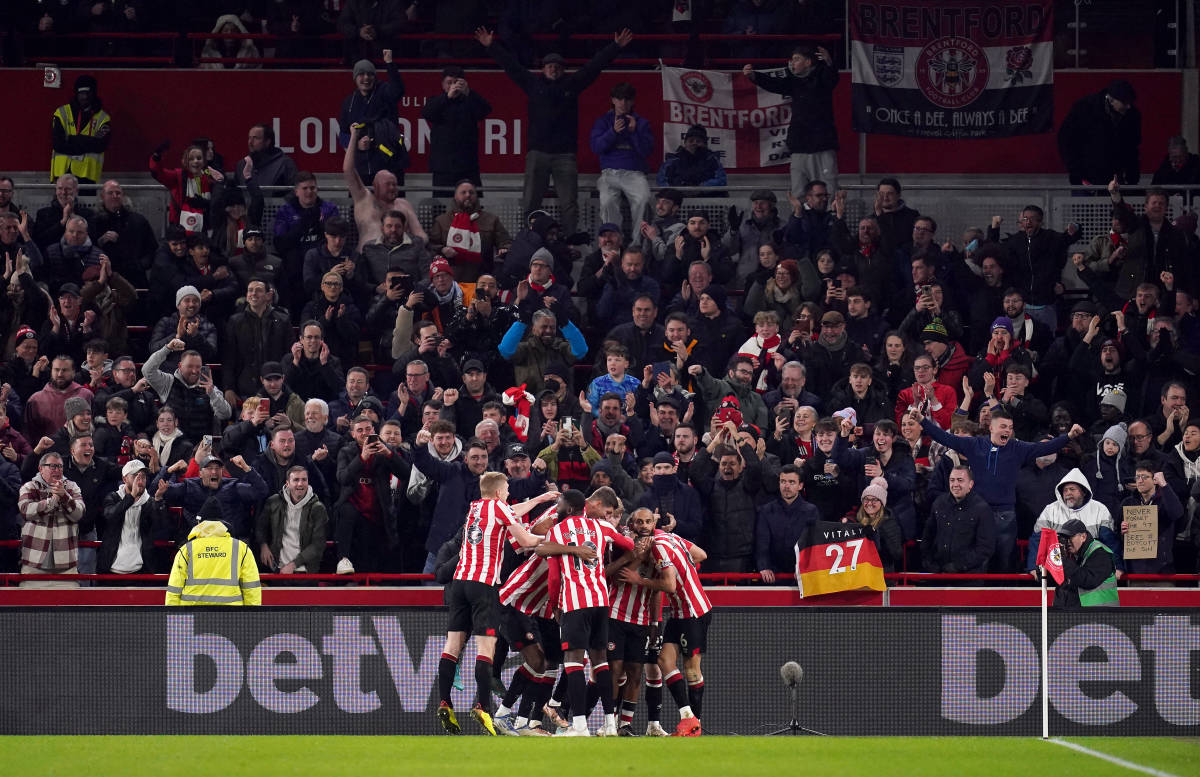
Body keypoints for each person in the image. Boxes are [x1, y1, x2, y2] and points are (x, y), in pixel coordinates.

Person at [474, 27, 633, 236]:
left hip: (565, 155)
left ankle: (568, 240)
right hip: (537, 153)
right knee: (531, 201)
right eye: (549, 66)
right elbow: (511, 66)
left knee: (569, 202)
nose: (553, 69)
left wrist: (615, 47)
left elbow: (595, 66)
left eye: (557, 66)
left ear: (563, 69)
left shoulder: (573, 84)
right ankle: (529, 237)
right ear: (543, 69)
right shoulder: (532, 84)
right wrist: (490, 46)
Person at [434, 472, 553, 735]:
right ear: (499, 492)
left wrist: (539, 499)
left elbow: (510, 511)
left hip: (459, 584)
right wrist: (559, 542)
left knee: (453, 645)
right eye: (507, 489)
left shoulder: (475, 508)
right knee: (485, 647)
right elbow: (526, 540)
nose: (509, 492)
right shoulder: (500, 507)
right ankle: (482, 706)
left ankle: (445, 701)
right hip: (483, 585)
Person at [917, 406, 1085, 571]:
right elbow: (945, 438)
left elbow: (1044, 447)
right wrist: (923, 421)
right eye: (1003, 426)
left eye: (1010, 428)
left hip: (1005, 515)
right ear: (991, 427)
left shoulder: (1017, 448)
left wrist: (1068, 436)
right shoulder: (974, 444)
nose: (1007, 431)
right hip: (976, 513)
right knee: (978, 562)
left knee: (1004, 564)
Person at [539, 486, 635, 736]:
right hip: (601, 601)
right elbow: (628, 544)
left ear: (569, 508)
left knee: (573, 663)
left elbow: (553, 577)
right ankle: (610, 724)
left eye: (559, 505)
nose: (557, 508)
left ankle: (580, 724)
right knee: (600, 662)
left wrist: (555, 605)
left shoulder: (557, 531)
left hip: (574, 602)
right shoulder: (601, 527)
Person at [743, 46, 838, 196]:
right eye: (792, 59)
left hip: (822, 144)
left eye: (796, 59)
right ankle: (800, 217)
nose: (792, 63)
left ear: (808, 62)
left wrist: (829, 63)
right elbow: (775, 83)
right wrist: (754, 76)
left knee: (828, 189)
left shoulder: (822, 78)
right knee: (799, 190)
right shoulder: (794, 82)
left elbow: (831, 78)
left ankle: (832, 217)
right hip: (799, 144)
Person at [344, 124, 425, 252]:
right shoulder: (364, 199)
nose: (393, 188)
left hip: (400, 258)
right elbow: (348, 170)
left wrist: (407, 240)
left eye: (394, 184)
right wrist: (354, 136)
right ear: (375, 187)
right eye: (388, 184)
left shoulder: (403, 205)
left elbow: (422, 236)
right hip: (367, 260)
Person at [589, 82, 654, 237]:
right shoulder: (603, 121)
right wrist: (612, 132)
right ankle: (612, 245)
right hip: (609, 172)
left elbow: (646, 151)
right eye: (619, 99)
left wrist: (633, 132)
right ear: (613, 100)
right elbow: (596, 147)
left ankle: (637, 245)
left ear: (633, 101)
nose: (623, 103)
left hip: (634, 173)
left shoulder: (642, 123)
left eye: (627, 99)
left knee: (643, 200)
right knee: (607, 202)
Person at [1026, 468, 1118, 573]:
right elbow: (1038, 540)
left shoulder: (1099, 509)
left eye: (1072, 489)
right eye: (1065, 490)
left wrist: (1116, 565)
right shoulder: (1050, 510)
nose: (1068, 493)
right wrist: (1034, 566)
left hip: (1092, 567)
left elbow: (1109, 542)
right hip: (1058, 569)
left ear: (1083, 491)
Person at [338, 52, 409, 188]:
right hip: (361, 170)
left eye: (370, 74)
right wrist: (356, 144)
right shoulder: (349, 102)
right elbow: (343, 134)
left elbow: (398, 90)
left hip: (388, 165)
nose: (366, 78)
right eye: (361, 74)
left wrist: (389, 63)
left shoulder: (384, 92)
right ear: (355, 78)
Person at [17, 451, 84, 588]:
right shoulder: (30, 487)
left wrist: (64, 497)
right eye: (52, 466)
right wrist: (52, 501)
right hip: (33, 563)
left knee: (70, 606)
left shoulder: (71, 487)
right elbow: (26, 511)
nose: (57, 470)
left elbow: (78, 514)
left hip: (66, 565)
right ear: (41, 468)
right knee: (28, 607)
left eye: (60, 466)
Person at [1057, 79, 1142, 186]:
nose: (1128, 106)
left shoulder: (1132, 115)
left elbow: (1132, 149)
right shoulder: (1085, 108)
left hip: (1117, 179)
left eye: (1130, 102)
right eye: (1124, 102)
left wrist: (1132, 179)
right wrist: (1078, 174)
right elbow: (1066, 141)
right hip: (1085, 179)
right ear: (1111, 100)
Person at [422, 67, 492, 195]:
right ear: (443, 85)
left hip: (468, 165)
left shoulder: (470, 101)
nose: (453, 86)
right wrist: (447, 97)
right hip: (443, 167)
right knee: (441, 205)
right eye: (449, 83)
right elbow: (427, 113)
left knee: (472, 201)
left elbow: (485, 110)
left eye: (457, 82)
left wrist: (469, 92)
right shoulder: (436, 101)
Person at [165, 516, 262, 606]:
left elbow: (174, 589)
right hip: (231, 617)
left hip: (192, 615)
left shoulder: (186, 549)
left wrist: (174, 623)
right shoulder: (241, 548)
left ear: (200, 523)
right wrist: (252, 618)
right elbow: (252, 588)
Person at [427, 181, 512, 282]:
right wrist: (442, 250)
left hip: (482, 277)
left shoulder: (491, 220)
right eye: (463, 192)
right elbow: (431, 245)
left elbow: (505, 241)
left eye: (471, 192)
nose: (468, 195)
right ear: (455, 196)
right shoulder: (442, 221)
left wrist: (504, 248)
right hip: (450, 279)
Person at [921, 464, 995, 574]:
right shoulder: (939, 503)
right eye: (952, 480)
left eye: (960, 480)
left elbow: (985, 548)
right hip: (938, 575)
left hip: (968, 579)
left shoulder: (982, 509)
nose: (955, 484)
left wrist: (958, 566)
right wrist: (929, 562)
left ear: (970, 484)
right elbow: (928, 537)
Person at [99, 459, 168, 576]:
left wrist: (158, 501)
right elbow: (110, 516)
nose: (140, 480)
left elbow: (162, 529)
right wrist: (130, 497)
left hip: (141, 568)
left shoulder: (150, 502)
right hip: (111, 567)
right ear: (125, 479)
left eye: (143, 476)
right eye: (135, 476)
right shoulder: (113, 497)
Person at [256, 464, 329, 575]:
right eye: (296, 480)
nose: (300, 484)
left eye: (304, 480)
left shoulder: (318, 508)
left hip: (306, 572)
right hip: (278, 570)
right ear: (287, 483)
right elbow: (260, 527)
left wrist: (294, 564)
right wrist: (263, 545)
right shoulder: (274, 502)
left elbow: (318, 544)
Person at [755, 464, 818, 582]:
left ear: (800, 486)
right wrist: (764, 567)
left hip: (802, 576)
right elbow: (762, 544)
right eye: (783, 481)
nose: (786, 486)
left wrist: (805, 567)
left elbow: (813, 544)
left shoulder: (811, 511)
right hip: (773, 577)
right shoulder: (766, 511)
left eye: (791, 482)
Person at [49, 75, 111, 185]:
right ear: (76, 93)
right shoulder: (61, 113)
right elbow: (58, 144)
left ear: (94, 94)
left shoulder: (103, 118)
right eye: (81, 93)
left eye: (88, 93)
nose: (84, 97)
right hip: (62, 175)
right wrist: (89, 141)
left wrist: (71, 140)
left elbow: (100, 145)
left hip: (88, 177)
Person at [235, 124, 298, 226]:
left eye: (255, 138)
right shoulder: (241, 164)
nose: (250, 142)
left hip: (275, 223)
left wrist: (279, 212)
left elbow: (295, 191)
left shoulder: (285, 163)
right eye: (249, 138)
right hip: (245, 222)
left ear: (268, 142)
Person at [1050, 518, 1119, 607]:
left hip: (1099, 616)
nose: (1067, 542)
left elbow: (1087, 580)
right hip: (1073, 615)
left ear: (1083, 537)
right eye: (1065, 538)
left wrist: (1063, 561)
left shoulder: (1100, 553)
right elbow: (1060, 581)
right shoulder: (1072, 554)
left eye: (1070, 537)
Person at [856, 476, 905, 573]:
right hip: (860, 575)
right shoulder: (856, 520)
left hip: (882, 575)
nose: (869, 503)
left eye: (874, 500)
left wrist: (878, 534)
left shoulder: (889, 522)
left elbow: (896, 554)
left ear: (882, 503)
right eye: (866, 499)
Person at [656, 124, 727, 190]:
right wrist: (679, 189)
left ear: (705, 144)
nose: (694, 143)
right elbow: (662, 180)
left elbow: (721, 180)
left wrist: (701, 188)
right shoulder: (673, 160)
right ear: (685, 143)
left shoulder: (712, 160)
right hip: (677, 198)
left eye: (698, 141)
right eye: (691, 140)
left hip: (708, 200)